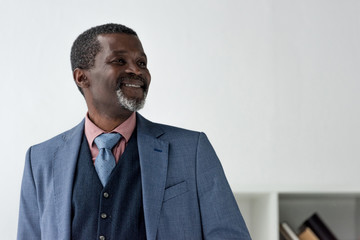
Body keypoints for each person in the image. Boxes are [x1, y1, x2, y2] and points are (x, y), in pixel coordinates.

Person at [17, 23, 251, 240]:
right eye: (119, 61)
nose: (137, 71)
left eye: (141, 63)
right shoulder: (40, 159)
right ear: (82, 77)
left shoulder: (192, 150)